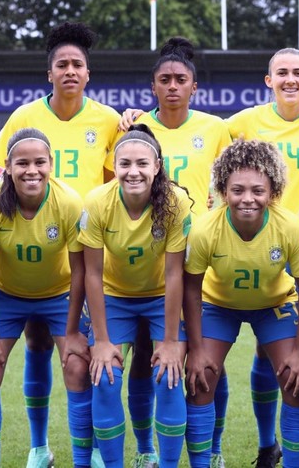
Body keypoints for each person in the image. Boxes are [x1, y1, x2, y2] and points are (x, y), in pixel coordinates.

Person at [0, 21, 119, 468]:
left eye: (77, 65)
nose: (69, 70)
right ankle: (38, 445)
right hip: (25, 246)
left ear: (88, 74)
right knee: (36, 348)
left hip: (80, 254)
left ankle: (100, 451)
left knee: (84, 359)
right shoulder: (24, 117)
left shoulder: (107, 120)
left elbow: (115, 182)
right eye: (61, 64)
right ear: (50, 73)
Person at [111, 36, 232, 468]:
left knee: (207, 357)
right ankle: (147, 451)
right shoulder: (135, 128)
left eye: (181, 79)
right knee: (147, 358)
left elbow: (228, 190)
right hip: (150, 263)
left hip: (204, 262)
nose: (173, 86)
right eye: (165, 79)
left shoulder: (216, 128)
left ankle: (212, 447)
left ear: (194, 86)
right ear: (153, 85)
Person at [183, 139, 299, 468]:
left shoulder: (289, 226)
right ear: (223, 189)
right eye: (237, 190)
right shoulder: (205, 229)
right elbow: (190, 290)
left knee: (294, 381)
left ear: (272, 190)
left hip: (273, 304)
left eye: (258, 190)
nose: (248, 199)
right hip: (219, 306)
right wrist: (197, 348)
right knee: (200, 379)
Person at [0, 128, 92, 468]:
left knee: (78, 365)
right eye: (22, 163)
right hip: (7, 296)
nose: (31, 170)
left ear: (52, 164)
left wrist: (75, 329)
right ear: (7, 166)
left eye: (39, 162)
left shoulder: (68, 202)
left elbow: (80, 271)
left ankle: (83, 461)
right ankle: (32, 451)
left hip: (60, 294)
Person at [80, 124, 192, 468]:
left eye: (142, 164)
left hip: (161, 297)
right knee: (105, 377)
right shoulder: (97, 202)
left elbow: (175, 274)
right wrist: (99, 340)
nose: (133, 172)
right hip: (115, 297)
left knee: (168, 375)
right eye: (125, 164)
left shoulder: (176, 202)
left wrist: (172, 341)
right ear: (114, 167)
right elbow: (92, 275)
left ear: (157, 166)